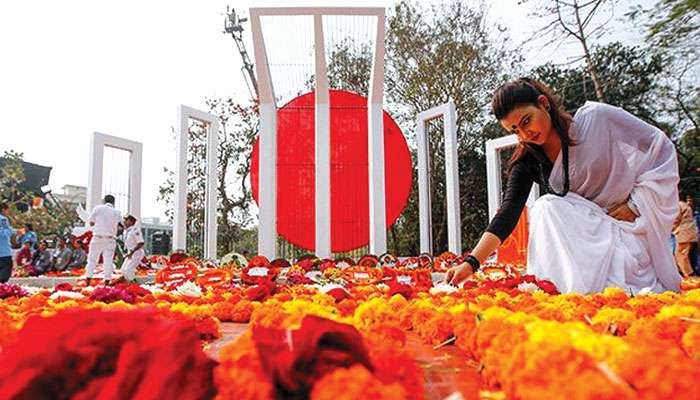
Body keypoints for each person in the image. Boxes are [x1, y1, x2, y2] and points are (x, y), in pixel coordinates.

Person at [446, 77, 681, 294]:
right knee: (546, 207)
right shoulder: (528, 160)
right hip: (583, 246)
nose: (525, 134)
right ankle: (571, 291)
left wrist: (636, 203)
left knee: (549, 206)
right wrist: (471, 263)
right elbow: (508, 213)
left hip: (626, 233)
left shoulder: (598, 119)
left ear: (543, 103)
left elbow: (660, 148)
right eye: (515, 130)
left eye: (526, 121)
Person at [83, 195, 122, 285]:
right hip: (110, 239)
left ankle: (88, 280)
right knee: (108, 261)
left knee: (92, 259)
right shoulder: (117, 212)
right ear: (113, 202)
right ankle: (107, 282)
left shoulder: (98, 208)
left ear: (104, 201)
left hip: (97, 237)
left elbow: (91, 223)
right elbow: (120, 226)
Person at [673, 193, 699, 278]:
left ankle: (688, 276)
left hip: (684, 233)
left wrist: (670, 229)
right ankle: (689, 274)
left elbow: (676, 219)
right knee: (684, 255)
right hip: (690, 233)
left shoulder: (678, 205)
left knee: (680, 255)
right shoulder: (686, 206)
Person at [118, 215, 145, 282]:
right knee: (123, 270)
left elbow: (141, 243)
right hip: (130, 253)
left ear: (131, 222)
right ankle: (128, 283)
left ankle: (133, 284)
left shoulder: (135, 230)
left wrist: (132, 252)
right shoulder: (127, 231)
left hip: (136, 253)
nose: (124, 222)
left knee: (128, 270)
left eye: (126, 220)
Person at [0, 203, 16, 282]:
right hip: (4, 252)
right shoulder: (3, 219)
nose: (8, 212)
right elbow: (4, 233)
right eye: (7, 210)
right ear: (3, 209)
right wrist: (14, 231)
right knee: (4, 275)